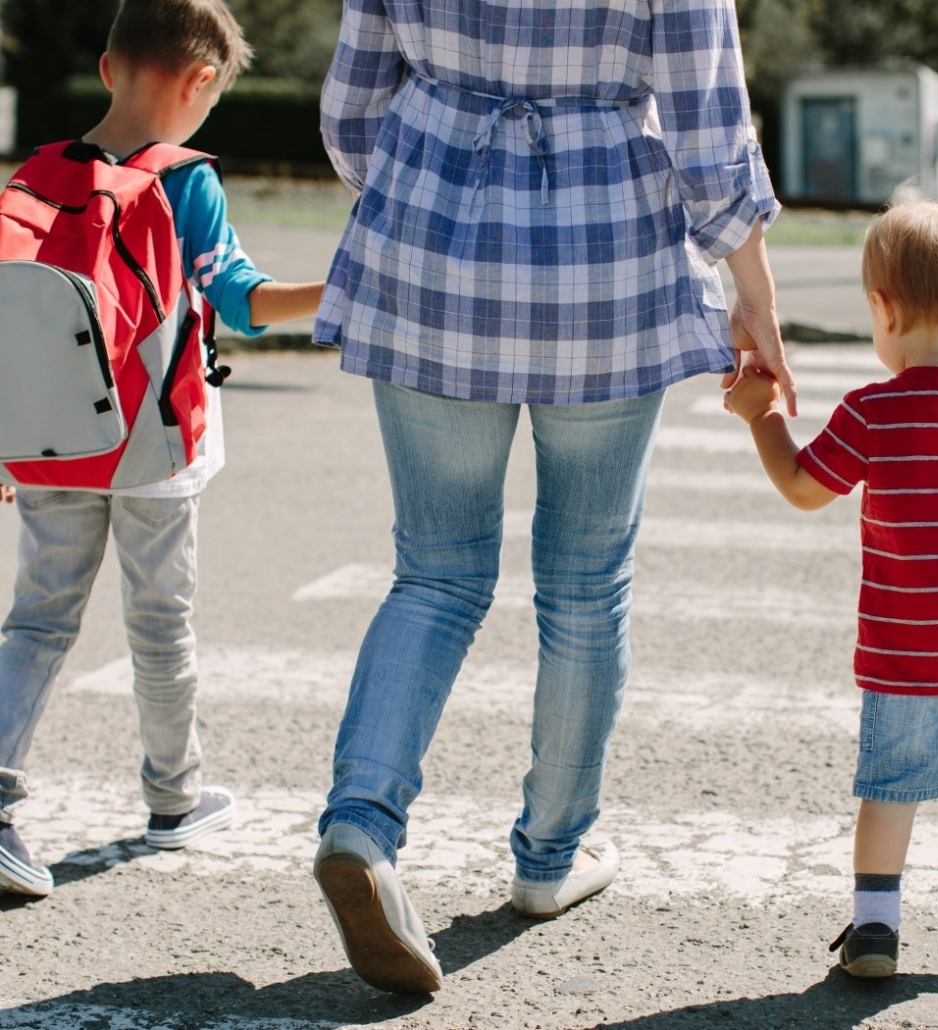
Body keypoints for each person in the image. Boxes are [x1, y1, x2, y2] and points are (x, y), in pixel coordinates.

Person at [312, 0, 795, 995]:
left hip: (432, 260)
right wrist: (754, 292)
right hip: (605, 271)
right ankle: (549, 859)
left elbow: (354, 106)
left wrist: (423, 198)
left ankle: (361, 823)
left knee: (434, 576)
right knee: (584, 588)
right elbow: (707, 128)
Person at [0, 0, 325, 898]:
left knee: (36, 618)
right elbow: (245, 301)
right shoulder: (185, 181)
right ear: (202, 82)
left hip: (47, 441)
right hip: (153, 446)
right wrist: (341, 293)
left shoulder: (35, 173)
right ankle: (175, 795)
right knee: (160, 622)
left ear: (106, 69)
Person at [724, 195, 938, 978]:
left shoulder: (874, 412)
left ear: (882, 309)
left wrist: (761, 414)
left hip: (905, 657)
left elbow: (801, 487)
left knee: (891, 790)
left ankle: (874, 928)